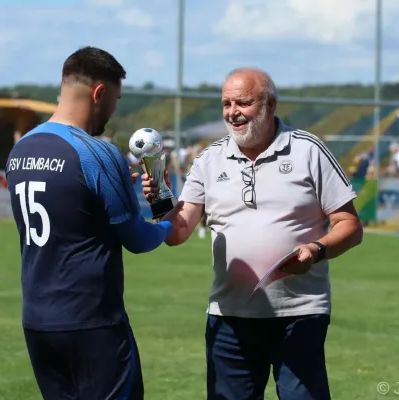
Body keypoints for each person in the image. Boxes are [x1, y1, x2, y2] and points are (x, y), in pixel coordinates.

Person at [141, 67, 363, 400]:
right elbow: (178, 232)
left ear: (270, 105)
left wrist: (316, 250)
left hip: (299, 312)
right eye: (226, 104)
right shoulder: (208, 159)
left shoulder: (309, 151)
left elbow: (350, 225)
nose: (233, 112)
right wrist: (160, 199)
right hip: (229, 318)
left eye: (243, 103)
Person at [5, 46, 183, 400]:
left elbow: (71, 210)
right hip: (92, 322)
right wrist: (168, 223)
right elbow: (136, 238)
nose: (113, 110)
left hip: (38, 322)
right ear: (99, 93)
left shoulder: (21, 149)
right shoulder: (97, 152)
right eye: (115, 99)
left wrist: (115, 188)